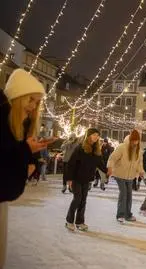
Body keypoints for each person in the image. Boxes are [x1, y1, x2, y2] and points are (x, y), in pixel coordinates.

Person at [0, 68, 50, 268]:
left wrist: (28, 152)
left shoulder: (13, 122)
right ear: (19, 95)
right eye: (31, 100)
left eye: (37, 102)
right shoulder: (4, 120)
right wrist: (25, 151)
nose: (33, 106)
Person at [65, 128, 108, 231]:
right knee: (77, 199)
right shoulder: (80, 148)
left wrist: (107, 171)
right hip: (76, 178)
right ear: (88, 136)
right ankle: (69, 221)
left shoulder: (96, 150)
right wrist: (69, 179)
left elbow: (100, 163)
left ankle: (79, 222)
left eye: (97, 135)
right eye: (94, 135)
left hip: (87, 179)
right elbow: (71, 164)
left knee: (83, 200)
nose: (96, 137)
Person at [107, 130, 145, 223]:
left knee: (129, 195)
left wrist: (141, 171)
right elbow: (112, 158)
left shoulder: (139, 151)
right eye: (134, 140)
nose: (135, 142)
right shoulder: (122, 147)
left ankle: (128, 214)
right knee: (123, 193)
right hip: (119, 174)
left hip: (130, 176)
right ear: (131, 139)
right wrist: (110, 167)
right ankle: (120, 215)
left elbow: (139, 163)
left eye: (137, 140)